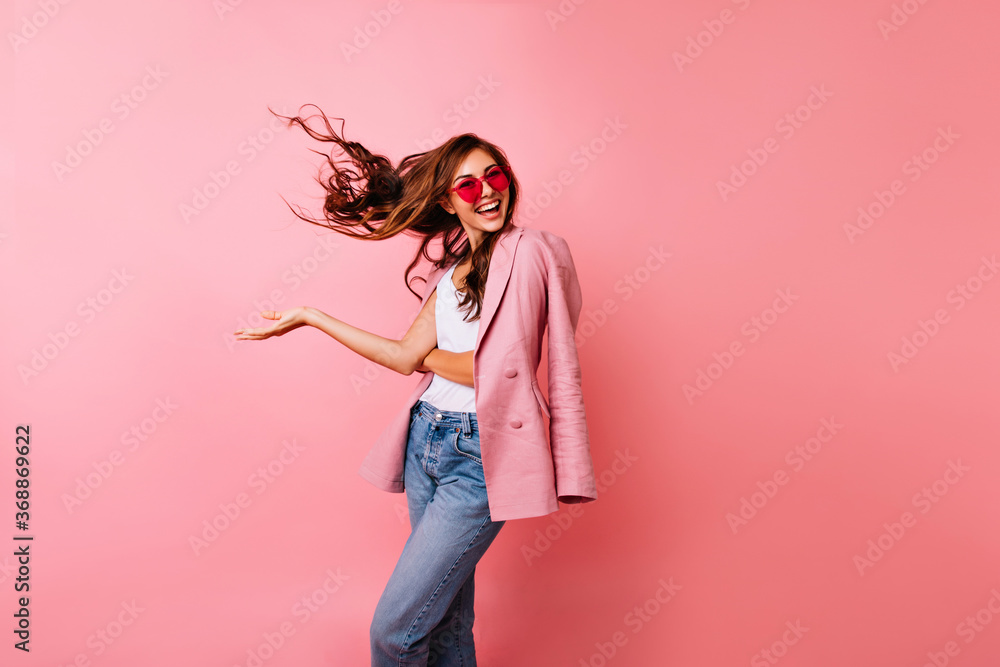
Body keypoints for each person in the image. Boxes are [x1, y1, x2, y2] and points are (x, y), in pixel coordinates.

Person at [234, 105, 597, 666]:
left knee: (394, 634)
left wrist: (434, 357)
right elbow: (406, 358)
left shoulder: (531, 253)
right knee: (446, 625)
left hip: (479, 455)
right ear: (448, 201)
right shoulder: (448, 274)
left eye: (494, 176)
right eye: (467, 184)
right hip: (425, 443)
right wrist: (311, 316)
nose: (486, 192)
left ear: (509, 180)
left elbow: (497, 368)